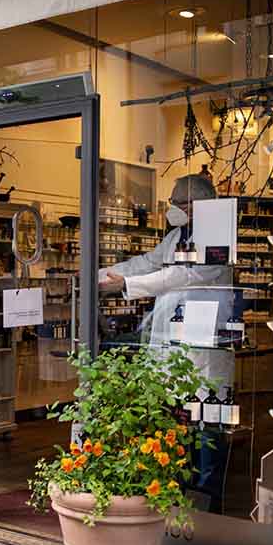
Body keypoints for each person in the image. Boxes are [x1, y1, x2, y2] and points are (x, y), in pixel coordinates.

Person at [98, 173, 233, 509]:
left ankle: (207, 507)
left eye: (182, 202)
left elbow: (185, 275)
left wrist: (127, 283)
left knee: (207, 430)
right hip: (173, 347)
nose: (175, 207)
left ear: (203, 204)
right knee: (179, 424)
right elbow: (150, 262)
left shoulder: (218, 234)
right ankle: (178, 494)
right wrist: (101, 273)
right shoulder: (176, 236)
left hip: (204, 349)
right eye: (174, 201)